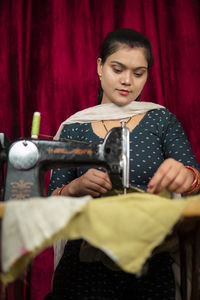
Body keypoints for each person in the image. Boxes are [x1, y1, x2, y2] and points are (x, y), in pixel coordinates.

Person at [45, 28, 200, 300]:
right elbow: (52, 201)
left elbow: (193, 177)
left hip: (150, 257)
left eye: (138, 73)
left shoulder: (161, 120)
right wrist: (76, 187)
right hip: (86, 263)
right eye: (118, 69)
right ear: (100, 67)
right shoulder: (74, 128)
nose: (127, 80)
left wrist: (185, 176)